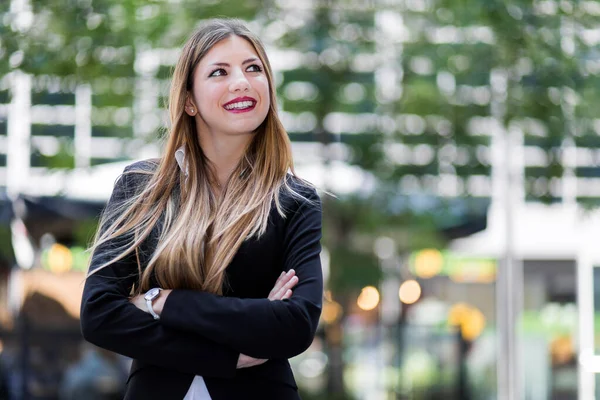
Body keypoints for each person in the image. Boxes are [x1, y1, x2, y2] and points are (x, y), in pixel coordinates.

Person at [80, 18, 323, 400]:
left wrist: (162, 301)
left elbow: (295, 325)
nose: (241, 81)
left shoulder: (295, 199)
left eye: (253, 68)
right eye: (219, 72)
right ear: (189, 100)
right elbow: (100, 315)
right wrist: (228, 352)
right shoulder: (142, 186)